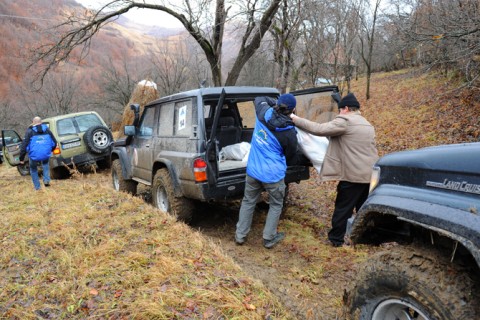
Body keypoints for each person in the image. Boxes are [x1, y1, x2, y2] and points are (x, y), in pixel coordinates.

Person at [290, 93, 379, 247]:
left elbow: (318, 129)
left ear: (345, 109)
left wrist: (295, 119)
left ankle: (336, 240)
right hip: (370, 175)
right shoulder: (366, 123)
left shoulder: (345, 121)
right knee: (363, 208)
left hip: (353, 176)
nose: (338, 113)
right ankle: (368, 239)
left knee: (343, 209)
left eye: (339, 110)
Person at [235, 93, 303, 249]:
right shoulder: (289, 132)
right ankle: (268, 238)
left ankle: (240, 235)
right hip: (273, 175)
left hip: (253, 170)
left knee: (248, 201)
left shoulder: (262, 112)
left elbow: (258, 98)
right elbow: (291, 155)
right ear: (292, 110)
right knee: (276, 204)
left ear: (278, 104)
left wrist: (276, 102)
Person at [19, 116, 57, 190]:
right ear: (41, 122)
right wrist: (50, 150)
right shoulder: (47, 130)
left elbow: (24, 145)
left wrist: (21, 158)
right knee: (45, 164)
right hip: (45, 153)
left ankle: (37, 187)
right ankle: (46, 180)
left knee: (33, 169)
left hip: (34, 155)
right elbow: (54, 142)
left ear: (33, 122)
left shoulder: (29, 131)